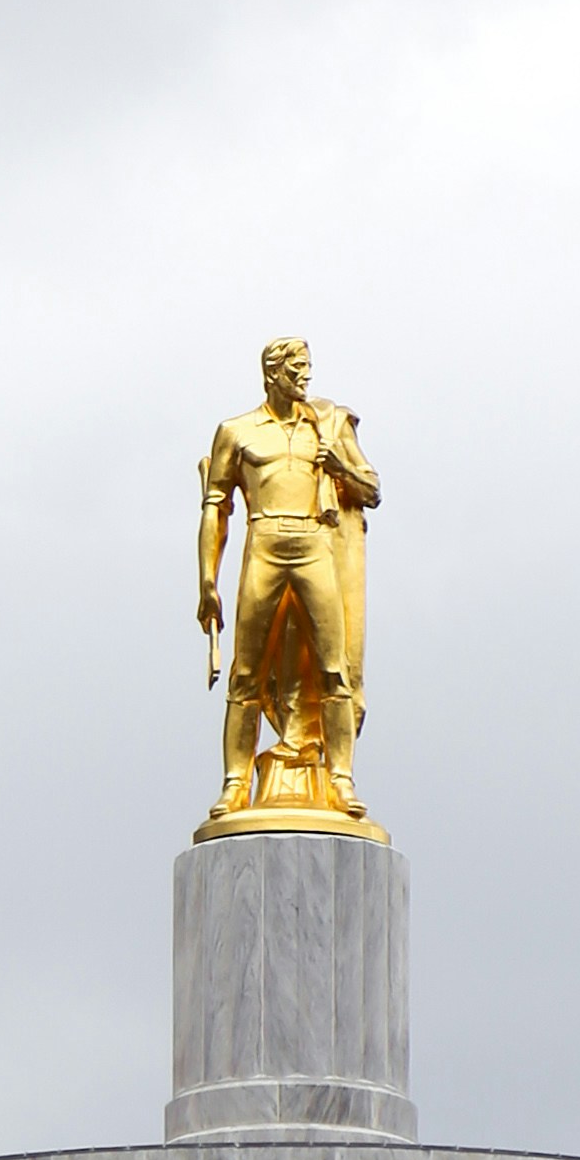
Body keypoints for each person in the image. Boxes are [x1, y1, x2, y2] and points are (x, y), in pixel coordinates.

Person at [195, 337, 378, 822]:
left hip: (314, 542)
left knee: (333, 668)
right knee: (246, 673)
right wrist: (207, 582)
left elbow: (373, 490)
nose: (305, 379)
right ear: (273, 374)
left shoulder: (326, 424)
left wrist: (338, 466)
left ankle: (340, 779)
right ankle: (235, 784)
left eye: (308, 370)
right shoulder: (237, 431)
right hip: (266, 543)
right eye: (297, 370)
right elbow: (216, 506)